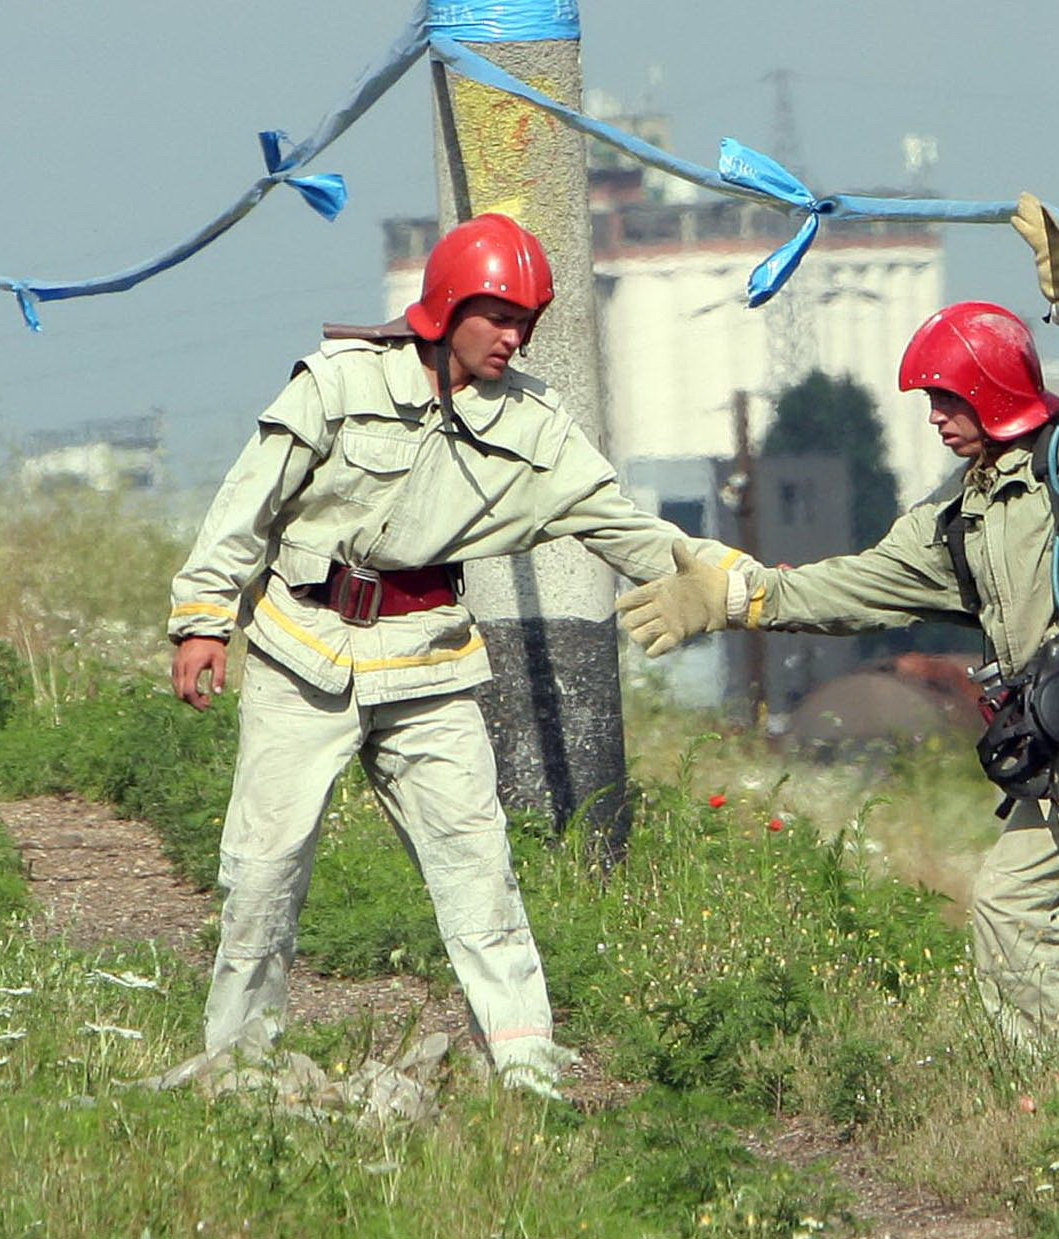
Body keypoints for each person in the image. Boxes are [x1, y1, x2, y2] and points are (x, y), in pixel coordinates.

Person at [617, 195, 1059, 1067]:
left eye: (945, 398)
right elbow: (860, 583)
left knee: (1012, 903)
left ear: (988, 391)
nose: (934, 418)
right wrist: (736, 595)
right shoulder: (956, 516)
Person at [168, 213, 708, 1097]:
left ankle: (528, 1064)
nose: (515, 335)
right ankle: (238, 1059)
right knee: (264, 866)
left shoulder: (535, 424)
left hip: (429, 661)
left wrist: (733, 587)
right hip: (304, 649)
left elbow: (623, 520)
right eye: (498, 315)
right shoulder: (339, 382)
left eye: (527, 320)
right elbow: (245, 504)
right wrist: (201, 617)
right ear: (448, 306)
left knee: (476, 862)